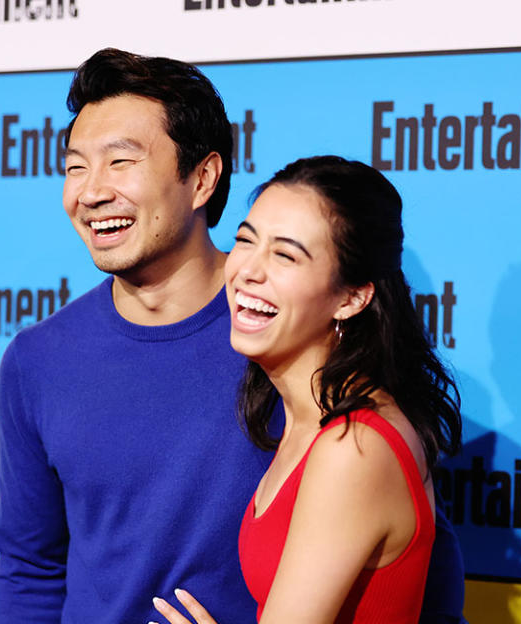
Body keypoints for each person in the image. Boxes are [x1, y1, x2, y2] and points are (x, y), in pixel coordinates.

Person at [0, 48, 465, 624]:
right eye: (74, 167)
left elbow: (417, 566)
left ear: (203, 178)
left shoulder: (294, 337)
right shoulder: (36, 362)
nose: (91, 192)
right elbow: (30, 569)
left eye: (120, 162)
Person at [150, 156, 462, 624]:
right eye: (245, 241)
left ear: (352, 297)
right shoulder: (308, 415)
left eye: (286, 255)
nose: (248, 271)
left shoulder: (353, 448)